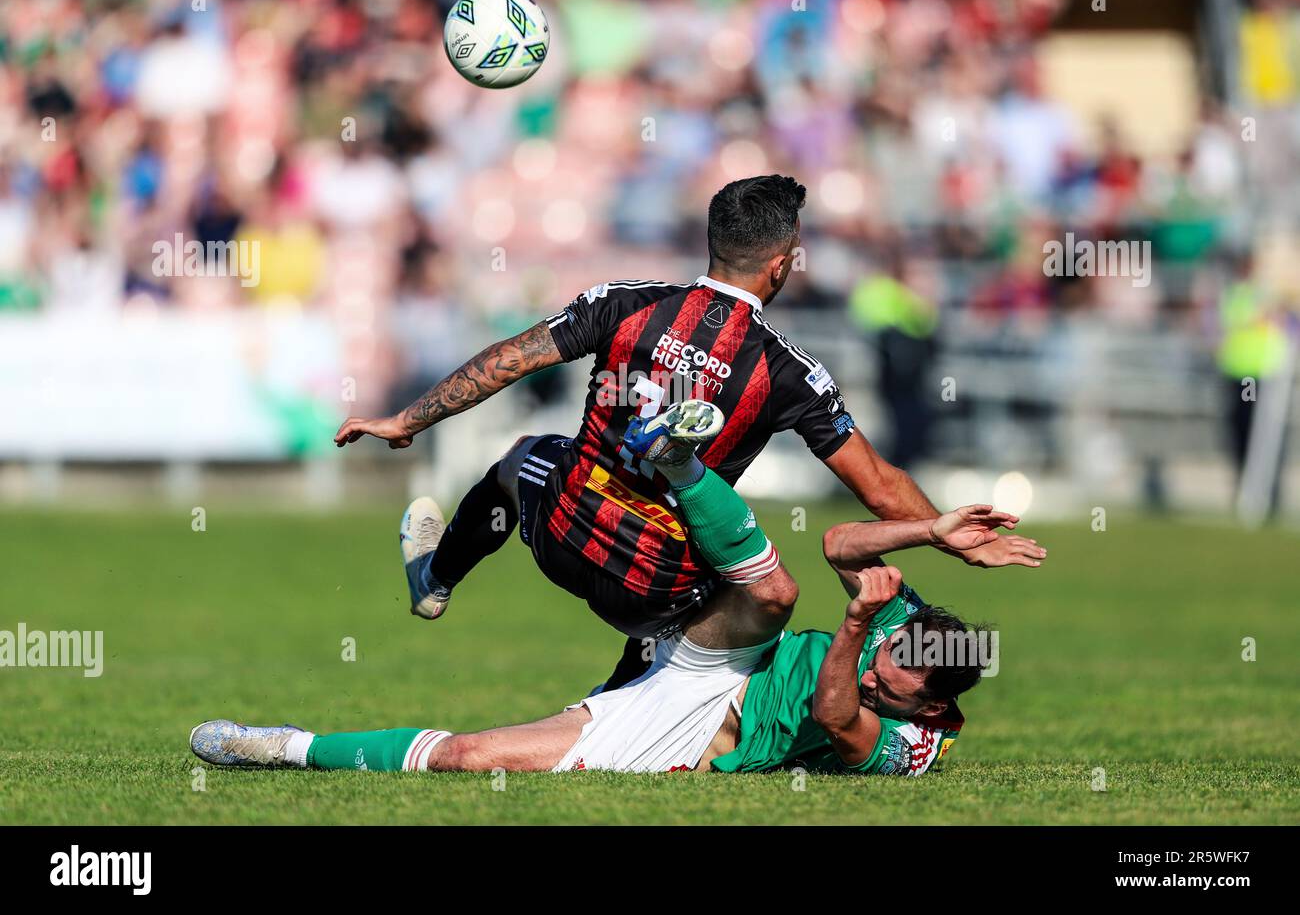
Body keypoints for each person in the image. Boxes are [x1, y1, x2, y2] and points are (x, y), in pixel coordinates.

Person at [335, 176, 1029, 687]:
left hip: (563, 537)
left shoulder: (625, 303)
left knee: (524, 458)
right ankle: (624, 709)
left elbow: (507, 361)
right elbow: (878, 490)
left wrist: (409, 419)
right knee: (739, 582)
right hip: (660, 588)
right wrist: (950, 534)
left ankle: (436, 578)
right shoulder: (785, 370)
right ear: (782, 262)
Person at [194, 402, 1045, 776]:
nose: (886, 658)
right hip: (725, 646)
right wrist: (929, 531)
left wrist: (858, 627)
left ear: (927, 706)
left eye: (901, 671)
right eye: (894, 643)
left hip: (697, 722)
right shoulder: (909, 632)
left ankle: (287, 746)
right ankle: (671, 460)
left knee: (472, 758)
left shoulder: (913, 748)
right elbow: (840, 540)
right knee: (777, 593)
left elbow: (831, 717)